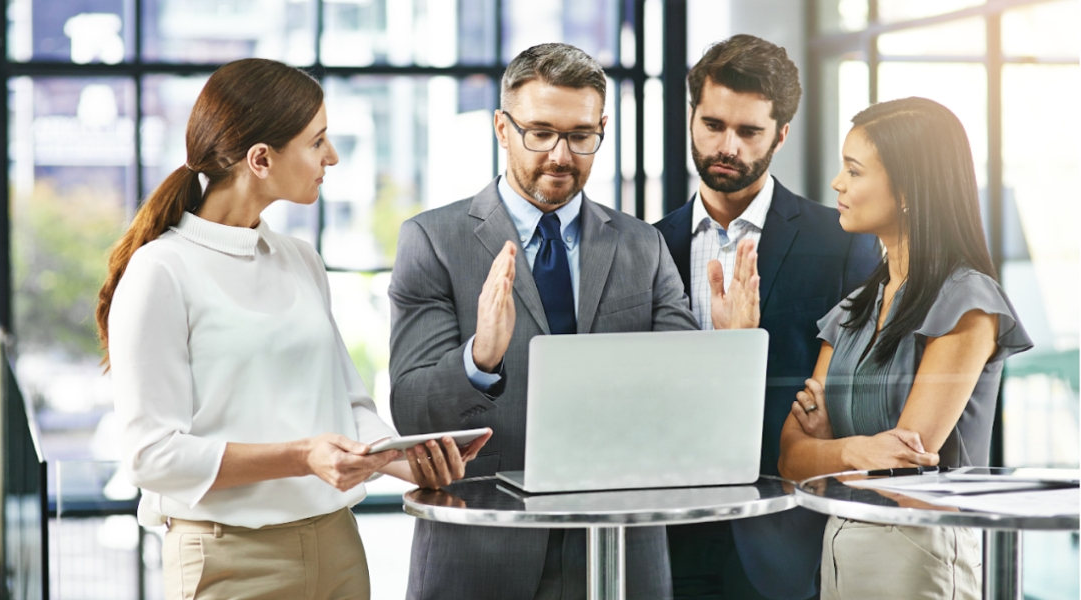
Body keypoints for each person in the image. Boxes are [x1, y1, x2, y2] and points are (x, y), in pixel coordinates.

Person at [95, 58, 489, 600]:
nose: (332, 157)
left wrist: (407, 462)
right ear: (261, 159)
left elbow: (349, 405)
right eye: (317, 141)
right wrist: (301, 457)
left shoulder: (300, 259)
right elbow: (152, 455)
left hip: (338, 547)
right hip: (229, 559)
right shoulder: (161, 271)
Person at [388, 43, 698, 600]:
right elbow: (413, 408)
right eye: (540, 132)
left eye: (581, 136)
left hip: (618, 545)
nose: (560, 155)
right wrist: (480, 357)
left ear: (603, 128)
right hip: (483, 547)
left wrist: (724, 341)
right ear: (502, 129)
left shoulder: (643, 245)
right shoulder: (432, 240)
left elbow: (683, 395)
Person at [772, 96, 1032, 599]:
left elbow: (904, 461)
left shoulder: (968, 301)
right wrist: (853, 450)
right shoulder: (854, 307)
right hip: (842, 539)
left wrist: (827, 448)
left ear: (909, 190)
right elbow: (789, 456)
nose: (837, 184)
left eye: (854, 170)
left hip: (919, 552)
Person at [652, 35, 881, 600]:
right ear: (691, 116)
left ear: (780, 134)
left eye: (749, 132)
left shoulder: (842, 244)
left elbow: (853, 397)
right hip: (667, 533)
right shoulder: (648, 246)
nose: (726, 146)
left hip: (787, 534)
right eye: (712, 124)